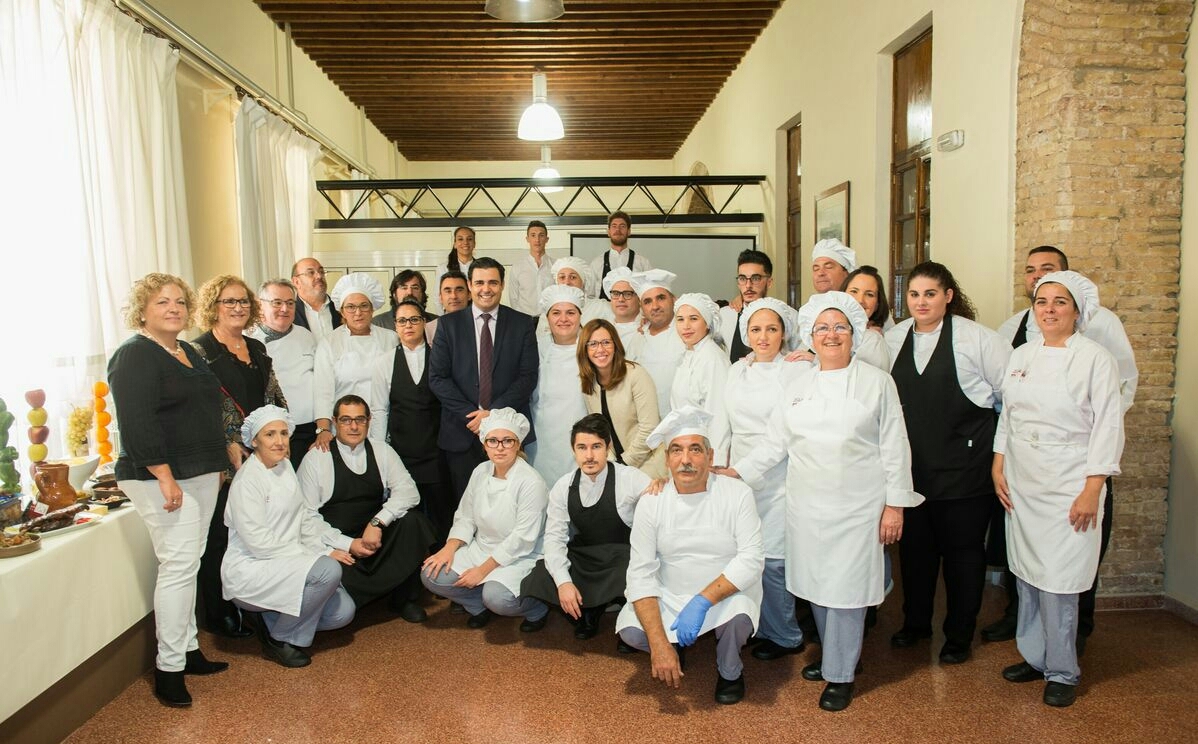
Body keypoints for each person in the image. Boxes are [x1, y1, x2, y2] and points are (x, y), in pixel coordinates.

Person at [738, 293, 923, 711]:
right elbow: (773, 444)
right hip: (806, 507)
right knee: (817, 586)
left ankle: (840, 674)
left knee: (847, 590)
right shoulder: (798, 384)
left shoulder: (877, 383)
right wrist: (738, 473)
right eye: (822, 327)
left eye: (840, 327)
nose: (831, 334)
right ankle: (838, 659)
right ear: (810, 336)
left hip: (858, 508)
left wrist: (895, 506)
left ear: (855, 334)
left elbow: (896, 447)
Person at [984, 245, 1137, 648]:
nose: (1049, 309)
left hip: (1072, 479)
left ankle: (1063, 666)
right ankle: (1034, 653)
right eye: (1041, 301)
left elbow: (1108, 425)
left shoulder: (1096, 358)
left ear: (1076, 309)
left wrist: (1093, 487)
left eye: (1059, 302)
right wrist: (999, 464)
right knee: (1028, 570)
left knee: (1064, 576)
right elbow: (1009, 413)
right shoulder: (1021, 353)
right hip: (1024, 481)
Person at [109, 273, 230, 708]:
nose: (174, 308)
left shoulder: (189, 351)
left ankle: (189, 649)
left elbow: (206, 412)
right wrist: (163, 474)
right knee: (179, 565)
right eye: (163, 302)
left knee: (190, 562)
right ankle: (169, 668)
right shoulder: (134, 355)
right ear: (143, 310)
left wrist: (217, 462)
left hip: (200, 470)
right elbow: (136, 422)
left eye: (180, 301)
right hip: (158, 474)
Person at [884, 261, 1011, 664]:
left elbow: (1009, 397)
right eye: (915, 295)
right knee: (916, 557)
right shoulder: (893, 338)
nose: (921, 302)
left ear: (948, 296)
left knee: (963, 557)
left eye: (931, 294)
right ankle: (916, 625)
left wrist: (999, 456)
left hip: (965, 473)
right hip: (914, 473)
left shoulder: (978, 340)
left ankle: (958, 634)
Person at [617, 407, 764, 706]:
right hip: (671, 593)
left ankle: (730, 670)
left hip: (724, 594)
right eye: (677, 451)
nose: (686, 460)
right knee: (632, 632)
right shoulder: (652, 502)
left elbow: (751, 559)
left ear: (710, 457)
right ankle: (672, 643)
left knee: (737, 618)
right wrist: (658, 645)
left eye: (695, 450)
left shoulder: (737, 494)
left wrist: (702, 600)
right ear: (667, 459)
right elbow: (640, 572)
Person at [191, 274, 288, 641]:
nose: (237, 308)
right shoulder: (198, 352)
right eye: (229, 302)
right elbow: (198, 411)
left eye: (243, 301)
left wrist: (275, 439)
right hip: (224, 462)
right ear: (212, 307)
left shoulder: (258, 349)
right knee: (221, 535)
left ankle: (256, 604)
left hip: (262, 458)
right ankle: (219, 613)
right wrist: (227, 445)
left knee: (259, 530)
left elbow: (275, 399)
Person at [222, 406, 356, 669]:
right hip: (252, 566)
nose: (280, 441)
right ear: (255, 440)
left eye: (284, 433)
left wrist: (326, 545)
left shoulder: (284, 466)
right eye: (270, 434)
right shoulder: (248, 480)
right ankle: (280, 638)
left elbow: (303, 518)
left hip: (285, 562)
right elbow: (259, 544)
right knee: (328, 570)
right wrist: (317, 556)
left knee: (343, 614)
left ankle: (268, 618)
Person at [716, 297, 805, 663]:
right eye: (755, 329)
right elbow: (722, 421)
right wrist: (720, 466)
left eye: (772, 329)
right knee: (746, 555)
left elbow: (782, 437)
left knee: (774, 560)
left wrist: (743, 470)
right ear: (745, 333)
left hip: (778, 474)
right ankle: (759, 624)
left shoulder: (796, 371)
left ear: (784, 333)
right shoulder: (737, 369)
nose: (763, 336)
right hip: (736, 472)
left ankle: (786, 634)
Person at [298, 395, 435, 622]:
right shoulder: (315, 459)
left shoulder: (383, 451)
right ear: (334, 421)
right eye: (346, 420)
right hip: (339, 544)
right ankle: (362, 594)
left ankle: (403, 599)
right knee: (338, 591)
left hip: (374, 538)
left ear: (369, 421)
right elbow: (306, 517)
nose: (353, 426)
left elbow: (409, 492)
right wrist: (349, 544)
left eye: (360, 420)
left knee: (414, 522)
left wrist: (378, 523)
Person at [521, 414, 651, 640]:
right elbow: (554, 539)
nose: (589, 455)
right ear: (574, 450)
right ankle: (589, 610)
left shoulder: (631, 478)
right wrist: (563, 583)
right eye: (582, 447)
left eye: (596, 447)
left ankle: (624, 614)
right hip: (587, 557)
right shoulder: (563, 486)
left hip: (621, 558)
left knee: (633, 568)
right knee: (541, 574)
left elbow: (661, 507)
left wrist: (661, 485)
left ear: (608, 447)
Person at [420, 409, 550, 630]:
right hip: (482, 547)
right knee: (431, 575)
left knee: (498, 598)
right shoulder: (480, 471)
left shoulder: (531, 482)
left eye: (507, 441)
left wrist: (482, 571)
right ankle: (479, 605)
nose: (499, 447)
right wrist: (449, 548)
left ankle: (536, 609)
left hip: (519, 555)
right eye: (493, 441)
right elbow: (465, 516)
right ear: (484, 444)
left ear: (518, 445)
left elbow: (521, 539)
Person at [428, 257, 539, 508]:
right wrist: (475, 416)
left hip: (509, 435)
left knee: (510, 505)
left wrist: (493, 415)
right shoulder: (447, 325)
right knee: (467, 507)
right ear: (469, 285)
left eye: (492, 282)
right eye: (479, 282)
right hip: (462, 432)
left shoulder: (522, 324)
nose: (485, 289)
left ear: (501, 285)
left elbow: (527, 376)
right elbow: (437, 378)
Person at [369, 298, 453, 541]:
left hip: (438, 451)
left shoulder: (442, 357)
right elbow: (380, 411)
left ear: (424, 323)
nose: (408, 325)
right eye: (402, 320)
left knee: (442, 514)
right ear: (395, 325)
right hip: (402, 453)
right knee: (408, 518)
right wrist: (380, 456)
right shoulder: (383, 363)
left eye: (414, 319)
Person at [313, 273, 398, 454]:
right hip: (346, 426)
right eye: (350, 307)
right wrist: (323, 429)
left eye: (363, 306)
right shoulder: (329, 343)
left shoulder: (390, 339)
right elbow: (323, 392)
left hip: (387, 424)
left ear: (372, 309)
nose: (358, 313)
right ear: (342, 311)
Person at [578, 319, 664, 478]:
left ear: (616, 345)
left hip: (648, 467)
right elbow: (599, 431)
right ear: (584, 349)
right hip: (615, 469)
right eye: (593, 344)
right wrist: (612, 464)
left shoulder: (636, 374)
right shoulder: (589, 383)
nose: (600, 349)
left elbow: (650, 428)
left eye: (606, 342)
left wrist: (625, 463)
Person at [248, 279, 318, 469]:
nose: (284, 309)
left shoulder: (306, 335)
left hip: (308, 429)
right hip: (271, 432)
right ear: (260, 306)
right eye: (277, 302)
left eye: (290, 303)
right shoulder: (249, 341)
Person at [529, 285, 589, 486]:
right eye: (556, 313)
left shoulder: (593, 348)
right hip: (542, 441)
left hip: (583, 439)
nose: (563, 319)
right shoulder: (534, 347)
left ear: (580, 316)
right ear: (547, 317)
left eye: (570, 312)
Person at [670, 293, 731, 466]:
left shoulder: (712, 358)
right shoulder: (689, 354)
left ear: (707, 323)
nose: (686, 326)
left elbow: (719, 414)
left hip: (705, 453)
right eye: (680, 319)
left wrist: (715, 462)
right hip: (687, 446)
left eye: (694, 318)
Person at [631, 269, 686, 417]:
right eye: (647, 301)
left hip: (682, 426)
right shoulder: (637, 338)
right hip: (645, 425)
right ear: (642, 308)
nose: (655, 306)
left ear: (674, 300)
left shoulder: (686, 334)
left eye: (660, 298)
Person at [717, 249, 773, 362]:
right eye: (743, 279)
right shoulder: (725, 315)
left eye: (755, 278)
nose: (748, 285)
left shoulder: (786, 317)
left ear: (769, 282)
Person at [592, 210, 652, 299]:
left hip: (634, 313)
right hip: (603, 312)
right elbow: (590, 295)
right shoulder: (596, 263)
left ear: (629, 231)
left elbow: (649, 293)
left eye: (622, 226)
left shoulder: (643, 263)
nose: (618, 230)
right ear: (608, 232)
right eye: (614, 226)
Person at [507, 220, 555, 316]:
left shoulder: (556, 266)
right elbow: (513, 298)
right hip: (524, 320)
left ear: (547, 239)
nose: (537, 240)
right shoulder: (518, 267)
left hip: (549, 319)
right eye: (533, 235)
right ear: (527, 239)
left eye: (541, 235)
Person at [291, 258, 342, 340]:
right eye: (311, 273)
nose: (319, 276)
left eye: (321, 272)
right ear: (296, 282)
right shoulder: (289, 313)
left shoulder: (340, 308)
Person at [601, 266, 645, 359]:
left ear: (639, 298)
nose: (621, 299)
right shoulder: (601, 331)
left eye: (627, 294)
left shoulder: (647, 330)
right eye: (616, 294)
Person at [372, 270, 437, 332]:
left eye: (415, 288)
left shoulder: (437, 322)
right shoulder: (378, 323)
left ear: (422, 294)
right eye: (404, 288)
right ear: (394, 294)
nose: (410, 292)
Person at [426, 270, 470, 342]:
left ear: (469, 295)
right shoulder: (429, 329)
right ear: (440, 297)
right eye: (448, 291)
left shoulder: (480, 324)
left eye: (459, 290)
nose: (454, 296)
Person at [434, 226, 476, 291]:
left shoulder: (481, 268)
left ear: (474, 244)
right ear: (455, 244)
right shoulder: (443, 268)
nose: (465, 243)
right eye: (460, 239)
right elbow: (438, 297)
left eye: (469, 239)